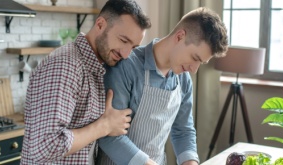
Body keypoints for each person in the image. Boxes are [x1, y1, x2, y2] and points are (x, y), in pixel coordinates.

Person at [20, 0, 151, 164]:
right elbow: (48, 145)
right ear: (101, 24)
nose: (126, 54)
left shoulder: (95, 67)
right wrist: (105, 125)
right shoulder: (66, 66)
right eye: (123, 40)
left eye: (133, 47)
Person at [97, 7, 228, 165]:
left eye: (201, 62)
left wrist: (190, 162)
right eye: (195, 57)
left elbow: (183, 131)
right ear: (180, 36)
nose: (194, 69)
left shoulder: (183, 79)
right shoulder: (125, 66)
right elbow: (108, 136)